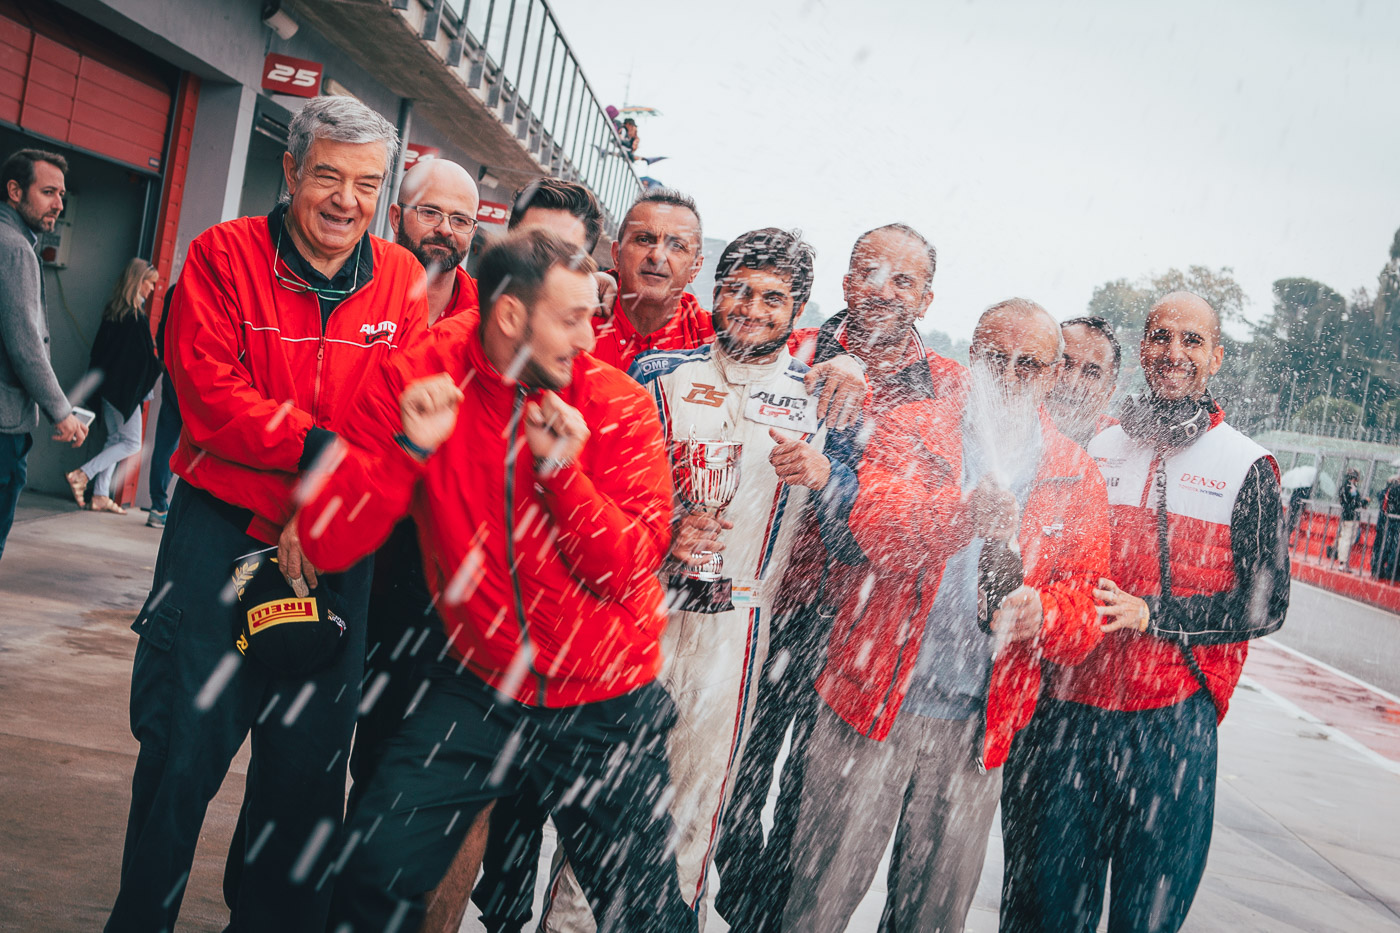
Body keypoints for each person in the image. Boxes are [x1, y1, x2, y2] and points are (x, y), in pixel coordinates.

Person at [299, 229, 695, 933]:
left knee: (647, 914)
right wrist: (406, 451)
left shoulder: (617, 404)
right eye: (572, 317)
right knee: (373, 866)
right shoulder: (416, 377)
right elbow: (330, 542)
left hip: (604, 696)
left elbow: (629, 566)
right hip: (479, 682)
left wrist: (561, 474)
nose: (590, 334)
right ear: (511, 315)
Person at [104, 95, 426, 933]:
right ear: (290, 171)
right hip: (217, 541)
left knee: (304, 787)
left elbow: (408, 412)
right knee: (179, 757)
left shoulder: (400, 281)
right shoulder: (219, 256)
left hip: (336, 555)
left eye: (366, 183)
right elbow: (212, 400)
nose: (345, 200)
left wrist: (325, 505)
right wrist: (322, 459)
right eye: (327, 175)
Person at [782, 299, 1109, 933]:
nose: (1009, 377)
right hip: (871, 704)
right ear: (971, 358)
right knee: (815, 904)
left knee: (934, 917)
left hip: (976, 727)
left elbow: (1083, 619)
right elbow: (872, 530)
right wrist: (960, 515)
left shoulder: (1077, 473)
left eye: (1028, 364)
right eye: (995, 359)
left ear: (1052, 373)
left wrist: (1041, 612)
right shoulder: (912, 426)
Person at [540, 228, 831, 931]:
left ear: (798, 310)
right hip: (645, 606)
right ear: (714, 291)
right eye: (738, 289)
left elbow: (856, 509)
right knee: (606, 795)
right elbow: (596, 482)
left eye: (773, 296)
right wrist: (664, 532)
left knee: (699, 805)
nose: (752, 307)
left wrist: (823, 477)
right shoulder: (658, 374)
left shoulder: (822, 396)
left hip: (740, 623)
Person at [1000, 291, 1290, 933]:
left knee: (1146, 919)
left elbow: (1266, 606)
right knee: (1040, 914)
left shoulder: (1247, 465)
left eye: (1191, 341)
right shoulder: (1094, 449)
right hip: (1066, 713)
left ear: (1215, 356)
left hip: (1171, 724)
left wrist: (1152, 614)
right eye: (1160, 337)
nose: (1173, 353)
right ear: (1143, 351)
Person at [714, 222, 963, 933]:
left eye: (903, 279)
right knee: (737, 768)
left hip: (865, 620)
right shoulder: (787, 354)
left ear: (927, 296)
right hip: (767, 601)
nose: (882, 290)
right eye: (868, 271)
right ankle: (741, 893)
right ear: (845, 282)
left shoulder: (947, 389)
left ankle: (770, 913)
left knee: (811, 793)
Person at [0, 148, 88, 559]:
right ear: (14, 191)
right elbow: (25, 345)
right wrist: (62, 413)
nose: (59, 204)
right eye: (49, 192)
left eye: (62, 194)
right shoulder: (14, 248)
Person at [64, 258, 161, 514]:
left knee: (116, 440)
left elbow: (101, 355)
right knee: (131, 443)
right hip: (124, 394)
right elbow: (141, 361)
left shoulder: (114, 313)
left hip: (109, 391)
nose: (152, 290)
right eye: (150, 284)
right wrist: (158, 363)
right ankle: (82, 474)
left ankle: (99, 495)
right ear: (137, 282)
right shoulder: (134, 317)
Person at [389, 157, 480, 324]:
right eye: (429, 213)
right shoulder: (353, 291)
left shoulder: (485, 322)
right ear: (396, 218)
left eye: (460, 220)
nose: (445, 230)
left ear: (472, 232)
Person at [1044, 315, 1121, 445]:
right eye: (1064, 364)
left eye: (1091, 373)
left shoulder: (1120, 447)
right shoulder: (1003, 424)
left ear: (1108, 395)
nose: (1070, 381)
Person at [145, 287, 181, 528]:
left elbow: (162, 329)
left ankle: (158, 505)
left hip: (172, 372)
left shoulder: (174, 290)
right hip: (198, 374)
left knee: (166, 440)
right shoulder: (211, 283)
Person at [1337, 468, 1367, 572]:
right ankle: (1343, 563)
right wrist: (1364, 502)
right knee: (1348, 540)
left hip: (1345, 516)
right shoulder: (1351, 488)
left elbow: (1344, 502)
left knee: (1343, 538)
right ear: (1355, 477)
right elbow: (1355, 503)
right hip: (1352, 517)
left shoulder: (1343, 486)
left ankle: (1341, 562)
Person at [1374, 473, 1400, 581]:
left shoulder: (1390, 490)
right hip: (1397, 522)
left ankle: (1378, 569)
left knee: (1385, 546)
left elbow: (1385, 506)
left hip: (1389, 521)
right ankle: (1391, 571)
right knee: (1395, 548)